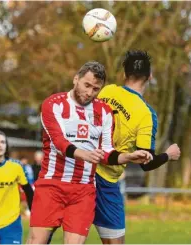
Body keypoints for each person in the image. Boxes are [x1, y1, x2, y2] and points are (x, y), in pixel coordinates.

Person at [27, 61, 153, 244]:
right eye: (86, 85)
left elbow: (108, 152)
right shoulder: (53, 104)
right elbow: (59, 142)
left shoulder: (104, 112)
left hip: (83, 190)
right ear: (75, 79)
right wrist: (85, 154)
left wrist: (128, 156)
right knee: (36, 242)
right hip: (51, 186)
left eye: (96, 89)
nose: (89, 92)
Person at [93, 50, 181, 244]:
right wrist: (168, 154)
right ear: (150, 76)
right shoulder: (146, 114)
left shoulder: (107, 91)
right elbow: (146, 163)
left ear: (124, 74)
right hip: (106, 181)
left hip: (82, 171)